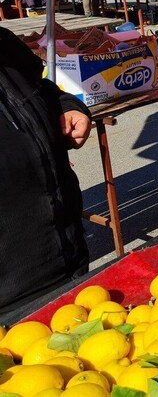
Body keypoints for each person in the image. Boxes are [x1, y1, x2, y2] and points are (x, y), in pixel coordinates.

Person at [0, 25, 91, 318]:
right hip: (10, 299)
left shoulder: (3, 43)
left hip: (67, 262)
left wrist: (69, 106)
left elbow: (42, 90)